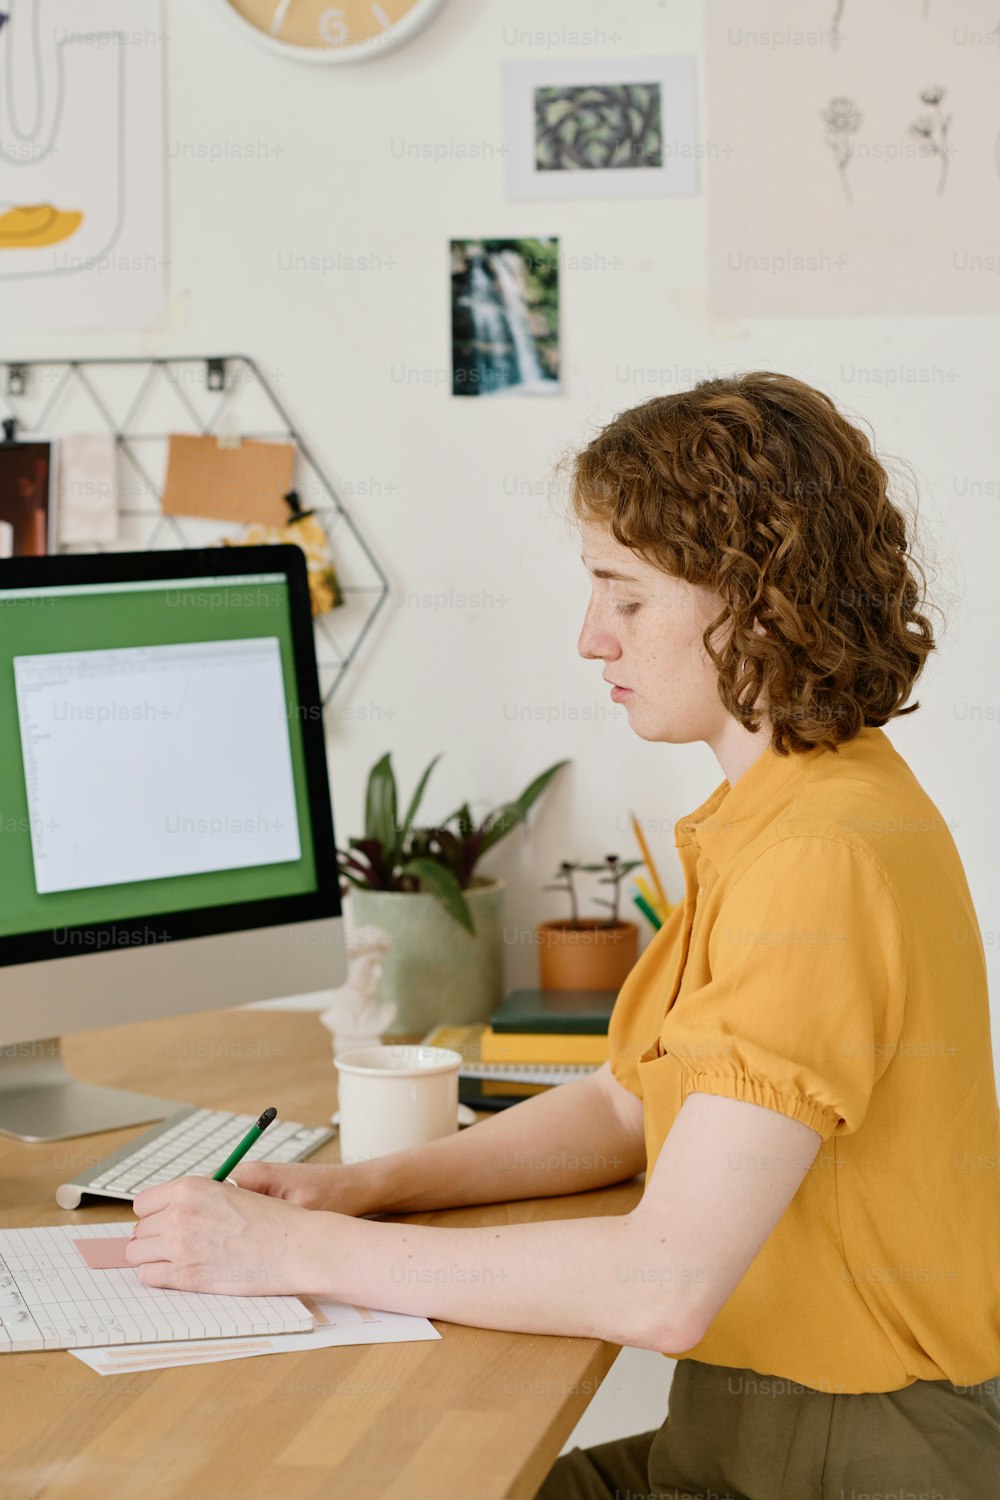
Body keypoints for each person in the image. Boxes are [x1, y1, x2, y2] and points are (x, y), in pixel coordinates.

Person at [127, 373, 1000, 1498]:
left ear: (755, 598)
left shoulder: (817, 856)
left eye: (623, 595)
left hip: (847, 1453)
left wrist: (287, 1255)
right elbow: (629, 1106)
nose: (591, 638)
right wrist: (368, 1187)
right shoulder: (788, 805)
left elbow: (664, 1284)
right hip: (775, 1431)